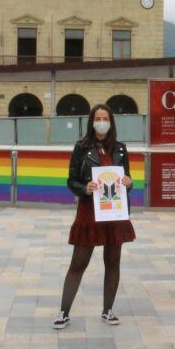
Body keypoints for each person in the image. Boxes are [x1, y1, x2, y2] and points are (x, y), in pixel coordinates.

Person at [54, 104, 135, 329]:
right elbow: (71, 180)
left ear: (111, 121)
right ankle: (63, 312)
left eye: (105, 117)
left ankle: (108, 311)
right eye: (97, 118)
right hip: (90, 212)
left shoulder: (120, 148)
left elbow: (126, 179)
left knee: (113, 261)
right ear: (92, 121)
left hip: (114, 212)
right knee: (78, 262)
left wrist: (129, 182)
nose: (101, 121)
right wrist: (84, 188)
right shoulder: (82, 147)